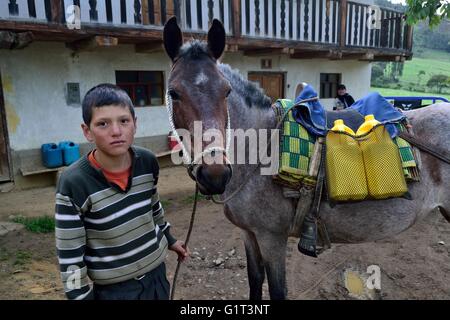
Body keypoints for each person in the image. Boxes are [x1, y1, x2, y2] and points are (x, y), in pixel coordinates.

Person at [55, 83, 189, 300]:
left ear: (135, 124)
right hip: (115, 292)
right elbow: (70, 252)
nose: (116, 131)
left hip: (157, 279)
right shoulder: (74, 183)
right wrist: (80, 296)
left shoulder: (147, 162)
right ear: (87, 131)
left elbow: (153, 207)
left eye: (124, 121)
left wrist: (170, 239)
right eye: (103, 123)